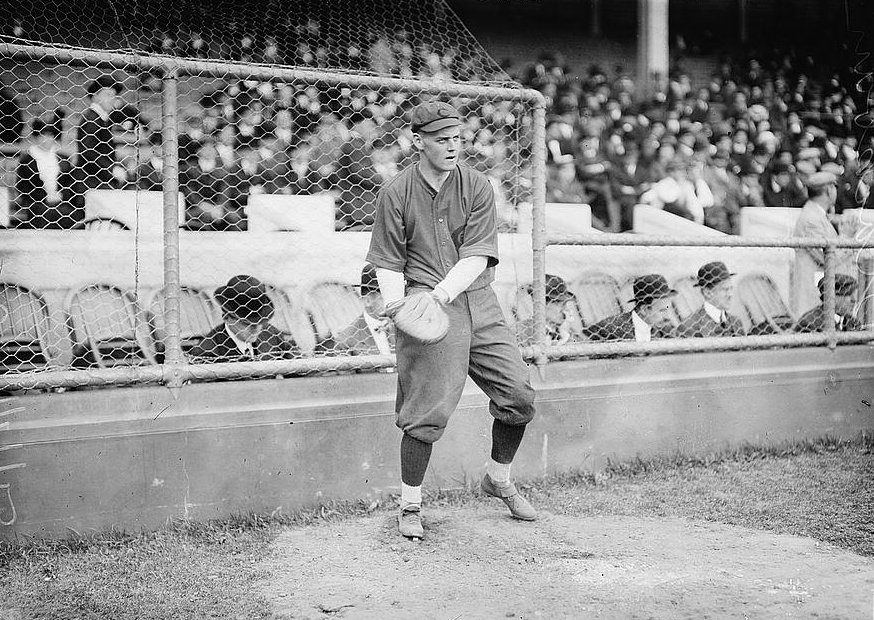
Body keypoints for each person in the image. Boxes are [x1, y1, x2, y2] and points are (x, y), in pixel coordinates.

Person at [366, 100, 537, 539]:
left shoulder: (477, 185)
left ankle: (498, 480)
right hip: (424, 306)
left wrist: (441, 294)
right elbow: (387, 261)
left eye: (457, 139)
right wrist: (397, 308)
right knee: (426, 413)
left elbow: (478, 255)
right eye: (442, 140)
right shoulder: (395, 193)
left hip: (474, 300)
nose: (452, 146)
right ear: (418, 142)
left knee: (518, 395)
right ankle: (410, 505)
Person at [188, 275, 300, 362]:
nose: (257, 328)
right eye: (248, 323)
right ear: (227, 318)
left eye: (260, 321)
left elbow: (302, 370)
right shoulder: (206, 353)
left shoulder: (271, 335)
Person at [73, 76, 124, 216]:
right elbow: (88, 151)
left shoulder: (100, 119)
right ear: (95, 96)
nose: (112, 99)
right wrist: (112, 169)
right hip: (91, 183)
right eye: (108, 94)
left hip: (97, 182)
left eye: (114, 96)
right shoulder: (91, 119)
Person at [791, 171, 840, 315]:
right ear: (829, 190)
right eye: (834, 187)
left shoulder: (817, 215)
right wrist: (846, 236)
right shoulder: (811, 219)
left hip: (820, 291)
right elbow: (827, 257)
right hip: (812, 296)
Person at [14, 118, 75, 229]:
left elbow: (71, 184)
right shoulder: (27, 161)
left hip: (60, 202)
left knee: (71, 214)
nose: (47, 139)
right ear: (36, 137)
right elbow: (23, 187)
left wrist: (60, 195)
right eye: (43, 135)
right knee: (46, 214)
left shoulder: (63, 159)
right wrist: (45, 197)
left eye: (50, 135)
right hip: (37, 203)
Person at [585, 274, 677, 342]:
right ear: (644, 309)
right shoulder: (610, 328)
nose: (667, 316)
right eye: (662, 311)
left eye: (668, 309)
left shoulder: (666, 330)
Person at [333, 264, 395, 356]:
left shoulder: (401, 330)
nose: (392, 302)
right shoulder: (346, 341)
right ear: (367, 301)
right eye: (385, 297)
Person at [677, 261, 745, 337]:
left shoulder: (736, 322)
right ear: (707, 293)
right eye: (725, 289)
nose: (730, 294)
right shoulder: (689, 327)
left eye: (731, 288)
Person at [796, 274, 861, 333]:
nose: (854, 300)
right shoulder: (809, 323)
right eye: (849, 295)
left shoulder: (853, 323)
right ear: (832, 296)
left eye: (854, 295)